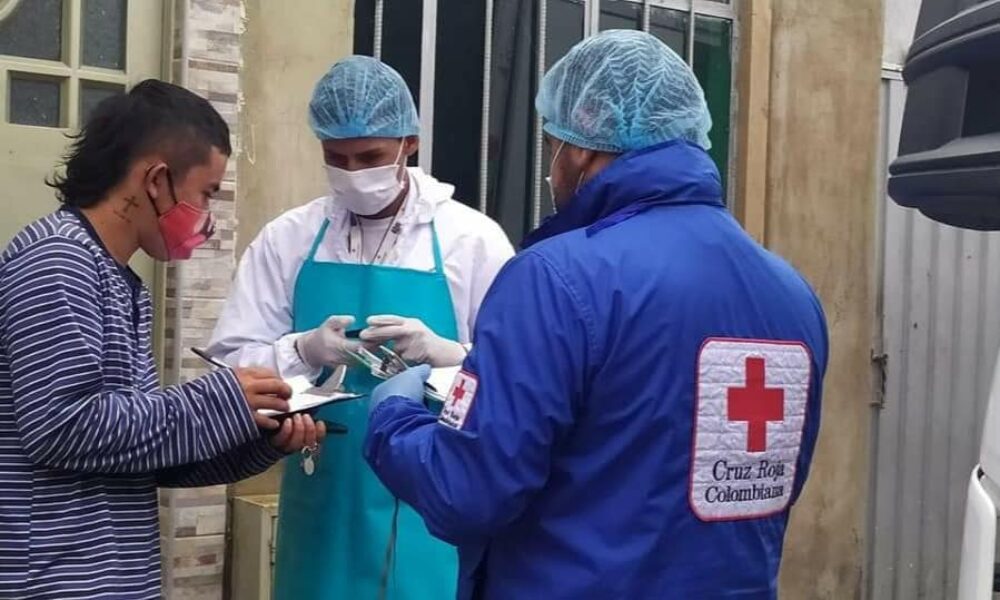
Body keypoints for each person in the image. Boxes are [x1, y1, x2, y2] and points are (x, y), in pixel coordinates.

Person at [363, 30, 829, 599]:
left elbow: (469, 491)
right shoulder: (793, 295)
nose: (550, 166)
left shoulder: (556, 278)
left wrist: (393, 418)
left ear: (580, 145)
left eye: (550, 142)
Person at [0, 80, 323, 600]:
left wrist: (256, 431)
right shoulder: (57, 260)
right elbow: (59, 427)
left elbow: (142, 451)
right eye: (206, 193)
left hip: (113, 576)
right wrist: (218, 399)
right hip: (54, 580)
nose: (208, 219)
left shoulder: (121, 282)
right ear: (156, 180)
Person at [206, 56, 514, 599]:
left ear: (409, 144)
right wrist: (299, 350)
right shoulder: (290, 239)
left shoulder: (473, 242)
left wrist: (447, 354)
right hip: (321, 493)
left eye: (369, 156)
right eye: (336, 158)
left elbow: (515, 383)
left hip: (433, 507)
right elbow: (231, 365)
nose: (353, 172)